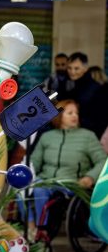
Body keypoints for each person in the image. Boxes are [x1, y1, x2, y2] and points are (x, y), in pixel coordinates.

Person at [28, 100, 107, 242]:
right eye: (70, 113)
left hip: (72, 183)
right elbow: (34, 162)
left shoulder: (87, 136)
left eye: (76, 113)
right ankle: (36, 228)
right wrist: (27, 174)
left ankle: (42, 230)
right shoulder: (47, 137)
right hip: (46, 180)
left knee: (39, 189)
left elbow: (102, 161)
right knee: (24, 190)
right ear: (59, 116)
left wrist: (90, 177)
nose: (74, 116)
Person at [64, 53, 103, 136]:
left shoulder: (96, 88)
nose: (72, 72)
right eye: (69, 68)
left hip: (90, 134)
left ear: (85, 69)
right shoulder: (73, 87)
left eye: (76, 68)